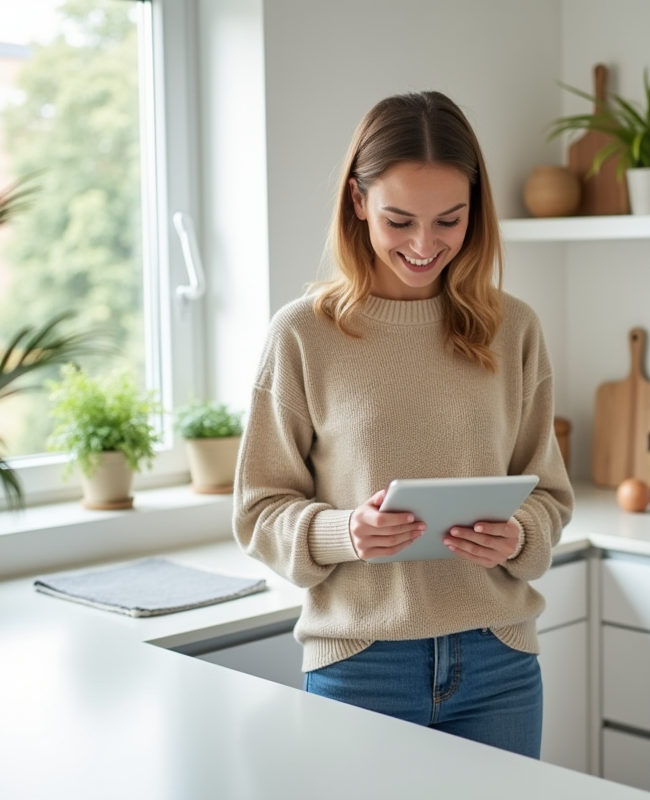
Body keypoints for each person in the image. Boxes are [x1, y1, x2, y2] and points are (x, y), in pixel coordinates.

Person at [232, 90, 573, 758]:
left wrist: (519, 535)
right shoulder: (303, 334)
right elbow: (258, 511)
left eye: (450, 219)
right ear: (358, 203)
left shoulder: (515, 329)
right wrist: (346, 532)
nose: (425, 245)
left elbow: (550, 497)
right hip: (361, 663)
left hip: (498, 661)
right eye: (399, 221)